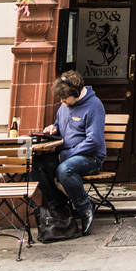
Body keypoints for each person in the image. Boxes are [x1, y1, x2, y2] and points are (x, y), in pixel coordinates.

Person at [34, 70, 106, 236]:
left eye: (65, 98)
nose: (62, 101)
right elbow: (59, 126)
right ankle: (60, 205)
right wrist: (52, 129)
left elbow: (94, 141)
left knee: (64, 169)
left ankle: (84, 207)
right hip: (65, 154)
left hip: (90, 158)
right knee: (35, 165)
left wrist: (66, 155)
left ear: (76, 92)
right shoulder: (65, 105)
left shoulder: (94, 105)